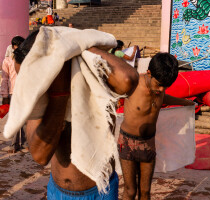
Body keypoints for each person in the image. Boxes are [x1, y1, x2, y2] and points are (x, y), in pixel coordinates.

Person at [13, 31, 139, 199]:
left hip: (100, 190)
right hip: (59, 191)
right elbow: (40, 155)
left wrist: (79, 43)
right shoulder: (42, 97)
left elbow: (128, 79)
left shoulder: (91, 73)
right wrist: (60, 94)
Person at [118, 53, 195, 200]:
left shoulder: (160, 83)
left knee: (145, 192)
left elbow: (163, 97)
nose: (161, 90)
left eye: (165, 86)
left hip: (148, 143)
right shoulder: (133, 83)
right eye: (159, 85)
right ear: (149, 73)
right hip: (127, 142)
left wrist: (185, 102)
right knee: (130, 190)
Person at [1, 36, 26, 153]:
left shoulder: (27, 60)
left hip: (25, 92)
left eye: (21, 45)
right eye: (17, 45)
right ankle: (14, 144)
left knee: (25, 118)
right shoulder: (7, 61)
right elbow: (4, 79)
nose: (19, 47)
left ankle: (25, 143)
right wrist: (5, 95)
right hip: (13, 93)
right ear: (12, 47)